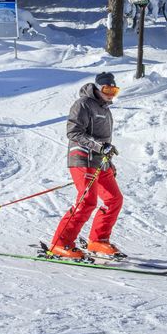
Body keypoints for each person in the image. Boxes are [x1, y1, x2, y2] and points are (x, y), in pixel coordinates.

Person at [49, 73, 124, 260]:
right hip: (82, 159)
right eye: (107, 90)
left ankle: (98, 240)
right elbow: (73, 132)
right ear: (98, 88)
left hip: (100, 162)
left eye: (114, 90)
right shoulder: (82, 104)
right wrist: (99, 146)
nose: (111, 94)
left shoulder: (106, 110)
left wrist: (109, 161)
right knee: (87, 202)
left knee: (114, 199)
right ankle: (60, 243)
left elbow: (105, 143)